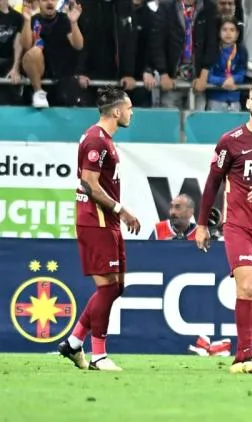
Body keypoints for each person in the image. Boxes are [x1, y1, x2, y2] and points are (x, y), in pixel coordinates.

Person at [196, 81, 252, 374]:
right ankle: (244, 356)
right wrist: (202, 224)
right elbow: (212, 182)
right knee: (246, 285)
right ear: (247, 104)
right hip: (238, 226)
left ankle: (247, 350)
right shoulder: (230, 141)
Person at [58, 86, 140, 372]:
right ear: (116, 111)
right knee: (107, 287)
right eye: (129, 108)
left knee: (116, 287)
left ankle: (74, 343)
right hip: (97, 220)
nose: (131, 113)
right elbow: (89, 185)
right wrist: (121, 209)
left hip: (108, 220)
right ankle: (99, 355)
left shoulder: (104, 139)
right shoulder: (96, 140)